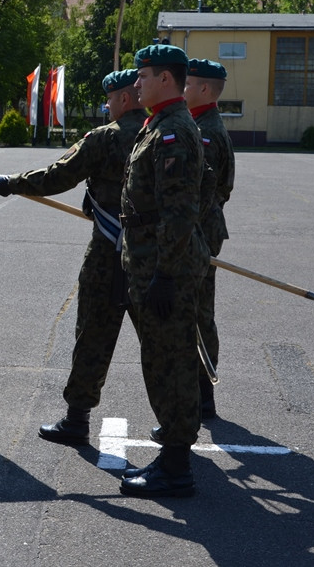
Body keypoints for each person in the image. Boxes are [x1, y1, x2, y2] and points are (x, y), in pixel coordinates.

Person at [0, 69, 144, 446]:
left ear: (124, 99)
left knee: (93, 334)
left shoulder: (107, 138)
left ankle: (77, 420)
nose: (107, 106)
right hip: (156, 256)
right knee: (162, 343)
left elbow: (59, 176)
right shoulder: (164, 133)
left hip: (109, 255)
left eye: (110, 99)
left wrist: (13, 183)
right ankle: (180, 429)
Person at [118, 44, 210, 498]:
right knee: (161, 358)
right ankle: (173, 452)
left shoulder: (173, 131)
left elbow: (179, 212)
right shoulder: (161, 125)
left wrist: (167, 275)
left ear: (166, 80)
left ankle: (175, 468)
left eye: (144, 75)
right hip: (151, 260)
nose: (137, 83)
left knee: (170, 362)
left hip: (163, 264)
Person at [185, 59, 235, 419]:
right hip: (200, 231)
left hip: (198, 233)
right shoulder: (200, 124)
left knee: (198, 313)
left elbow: (206, 193)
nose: (181, 90)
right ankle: (199, 395)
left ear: (204, 89)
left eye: (187, 84)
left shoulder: (206, 132)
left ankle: (203, 396)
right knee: (196, 311)